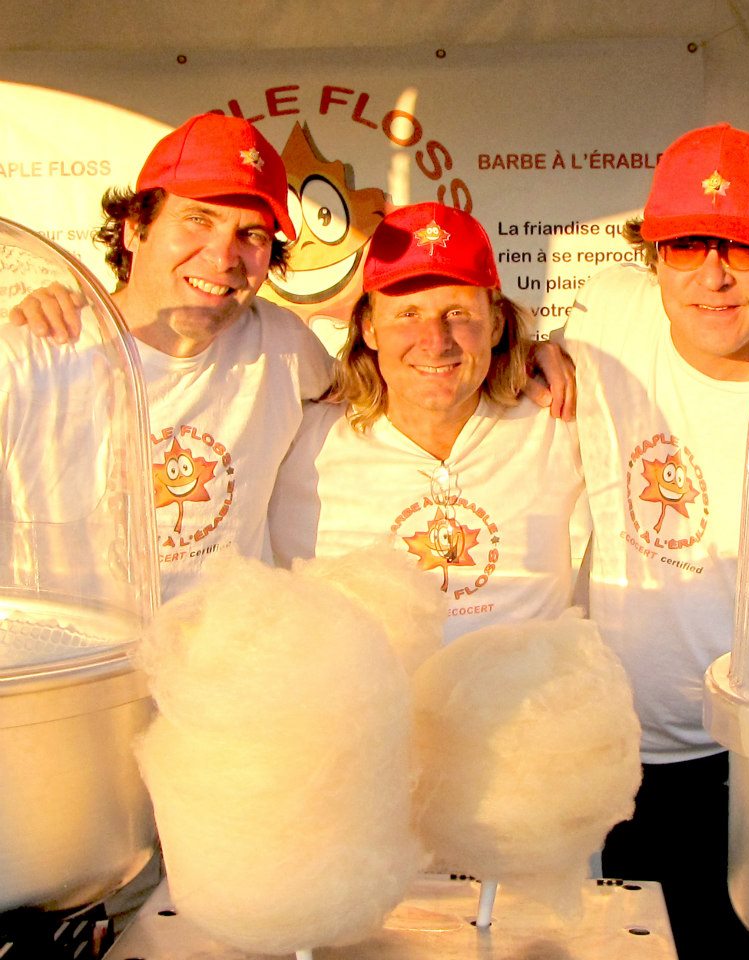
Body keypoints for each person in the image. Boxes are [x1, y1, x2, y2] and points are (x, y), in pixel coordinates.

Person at [562, 122, 749, 959]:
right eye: (685, 246)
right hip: (613, 752)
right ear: (652, 256)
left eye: (742, 248)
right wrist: (525, 350)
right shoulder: (605, 310)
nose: (711, 274)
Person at [6, 113, 334, 601]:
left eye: (253, 235)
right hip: (75, 662)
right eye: (198, 219)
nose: (224, 257)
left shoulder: (283, 346)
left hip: (220, 666)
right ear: (135, 229)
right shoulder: (33, 356)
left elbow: (385, 405)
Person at [269, 202, 588, 642]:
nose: (435, 342)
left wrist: (549, 349)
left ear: (496, 325)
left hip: (525, 706)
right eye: (408, 314)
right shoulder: (299, 442)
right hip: (362, 708)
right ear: (369, 328)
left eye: (458, 314)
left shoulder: (557, 422)